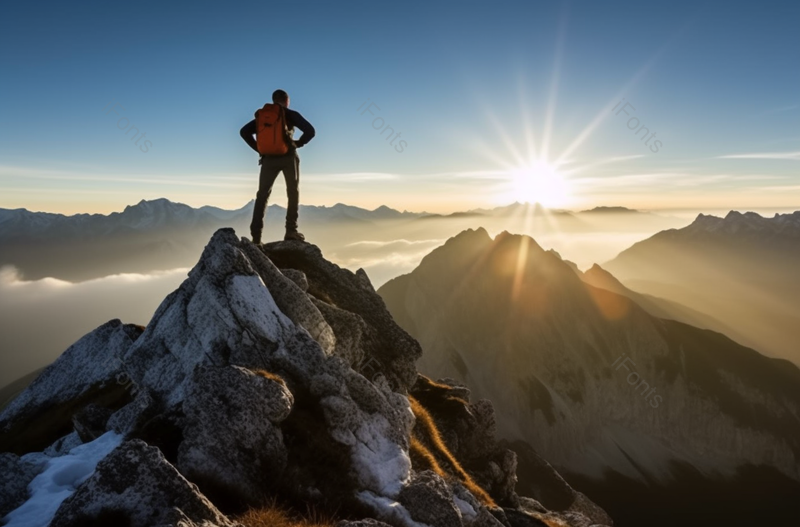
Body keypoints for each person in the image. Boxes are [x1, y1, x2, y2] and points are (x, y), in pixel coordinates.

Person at [240, 89, 315, 243]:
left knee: (262, 195)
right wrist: (297, 144)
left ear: (274, 100)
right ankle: (291, 231)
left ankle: (256, 237)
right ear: (287, 101)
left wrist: (259, 149)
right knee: (292, 192)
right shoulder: (290, 114)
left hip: (268, 159)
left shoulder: (263, 117)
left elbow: (244, 132)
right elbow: (310, 131)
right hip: (288, 157)